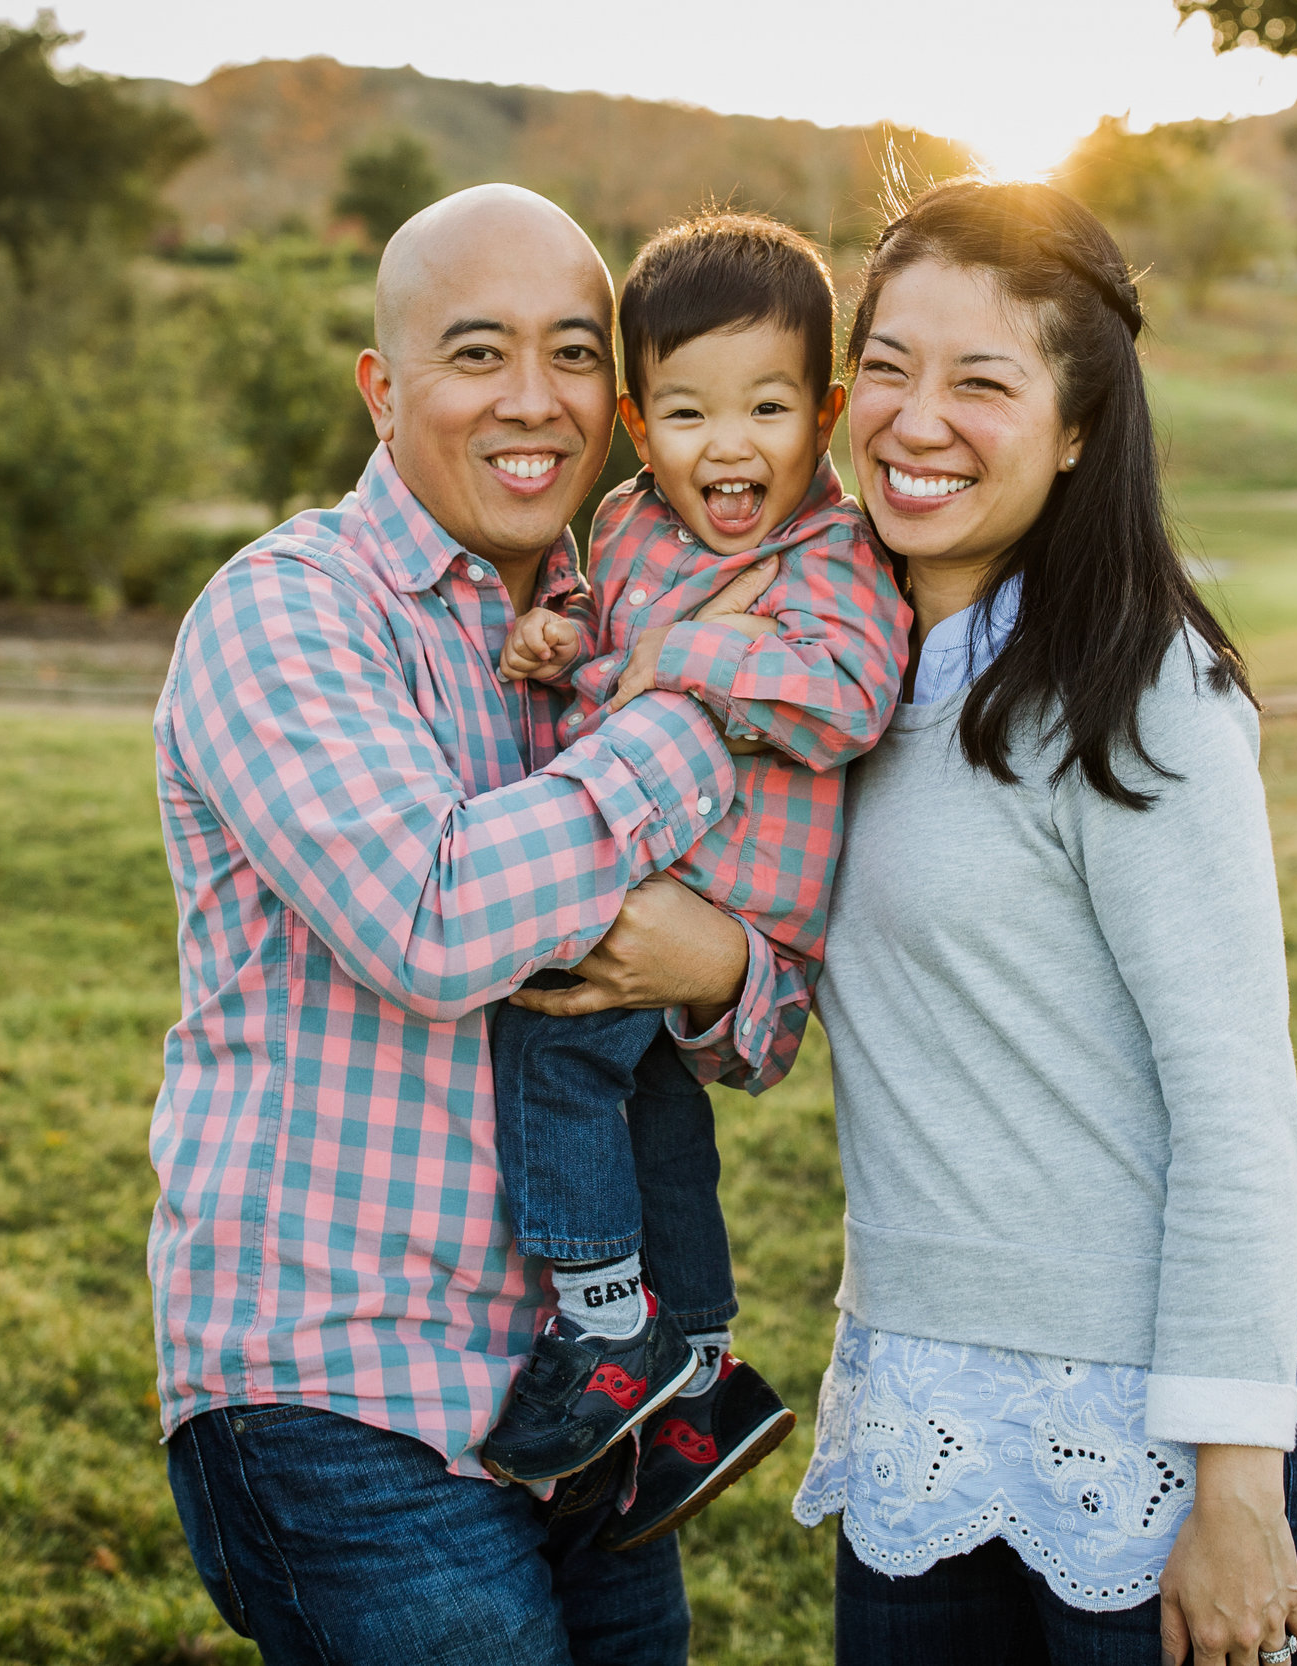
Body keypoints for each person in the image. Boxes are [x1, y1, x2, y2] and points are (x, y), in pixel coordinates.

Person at [147, 184, 788, 1666]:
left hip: (590, 1396)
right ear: (384, 388)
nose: (534, 401)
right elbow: (435, 919)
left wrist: (725, 971)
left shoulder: (615, 618)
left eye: (573, 354)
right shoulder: (290, 611)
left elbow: (747, 1005)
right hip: (339, 1390)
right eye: (477, 352)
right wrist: (698, 714)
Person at [788, 180, 1297, 1666]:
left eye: (982, 380)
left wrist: (1237, 1484)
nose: (915, 418)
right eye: (888, 364)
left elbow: (1237, 1105)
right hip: (921, 1401)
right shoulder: (830, 679)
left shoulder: (1138, 691)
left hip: (1156, 1427)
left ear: (1076, 430)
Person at [479, 211, 908, 1541]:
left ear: (825, 411)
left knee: (547, 1047)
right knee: (658, 1119)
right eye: (686, 411)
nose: (728, 445)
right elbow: (613, 636)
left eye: (767, 407)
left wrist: (687, 657)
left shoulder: (834, 554)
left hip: (717, 889)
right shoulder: (629, 521)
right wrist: (566, 636)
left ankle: (605, 1327)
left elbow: (849, 695)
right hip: (657, 851)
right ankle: (697, 1377)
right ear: (633, 420)